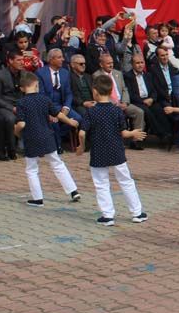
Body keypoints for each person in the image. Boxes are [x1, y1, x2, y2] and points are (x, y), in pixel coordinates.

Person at [76, 75, 148, 226]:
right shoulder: (117, 111)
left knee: (101, 183)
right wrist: (134, 133)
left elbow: (82, 132)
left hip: (98, 151)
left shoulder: (90, 112)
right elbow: (123, 133)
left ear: (94, 91)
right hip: (116, 150)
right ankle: (137, 213)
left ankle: (108, 215)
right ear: (111, 91)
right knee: (126, 181)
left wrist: (81, 147)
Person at [14, 72, 81, 206]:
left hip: (31, 137)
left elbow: (21, 123)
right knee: (57, 163)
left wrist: (15, 132)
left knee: (32, 168)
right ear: (37, 85)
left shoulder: (21, 103)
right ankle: (73, 190)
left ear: (22, 88)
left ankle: (38, 198)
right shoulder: (45, 99)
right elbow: (59, 114)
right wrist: (71, 122)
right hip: (47, 135)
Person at [95, 53, 145, 140]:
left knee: (139, 112)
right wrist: (115, 104)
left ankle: (136, 140)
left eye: (112, 63)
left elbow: (124, 89)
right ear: (101, 64)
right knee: (114, 113)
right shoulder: (97, 75)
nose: (111, 65)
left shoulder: (118, 73)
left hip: (122, 103)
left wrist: (125, 102)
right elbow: (101, 93)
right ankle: (113, 139)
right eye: (108, 63)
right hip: (109, 104)